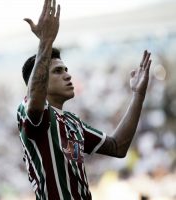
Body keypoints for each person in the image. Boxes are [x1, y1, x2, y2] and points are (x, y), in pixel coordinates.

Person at [16, 0, 152, 199]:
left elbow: (117, 147)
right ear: (42, 80)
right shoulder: (30, 110)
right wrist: (46, 41)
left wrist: (138, 96)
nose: (68, 75)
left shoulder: (72, 123)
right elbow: (35, 104)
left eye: (66, 70)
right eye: (58, 71)